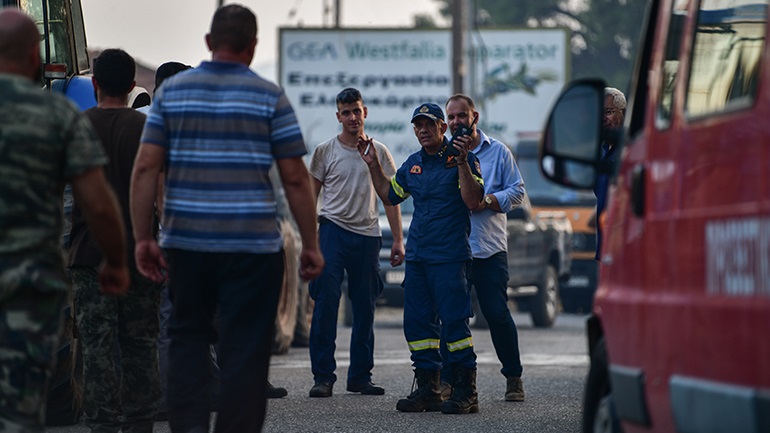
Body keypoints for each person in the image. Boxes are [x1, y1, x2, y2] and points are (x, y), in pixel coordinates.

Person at [129, 4, 324, 432]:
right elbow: (295, 178)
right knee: (245, 351)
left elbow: (145, 169)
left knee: (186, 340)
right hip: (251, 249)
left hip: (187, 245)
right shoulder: (269, 96)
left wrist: (144, 238)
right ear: (253, 46)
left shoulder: (171, 96)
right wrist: (310, 244)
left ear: (208, 43)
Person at [0, 8, 129, 431]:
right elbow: (98, 204)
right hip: (31, 282)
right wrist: (115, 261)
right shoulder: (58, 116)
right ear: (35, 54)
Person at [359, 102, 484, 415]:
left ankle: (465, 391)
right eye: (418, 126)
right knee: (417, 326)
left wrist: (462, 163)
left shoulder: (463, 159)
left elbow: (473, 200)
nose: (423, 130)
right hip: (418, 259)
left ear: (442, 127)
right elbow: (390, 195)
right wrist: (373, 164)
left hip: (450, 258)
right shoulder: (413, 164)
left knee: (454, 326)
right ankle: (429, 390)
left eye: (429, 124)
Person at [66, 48, 162, 432]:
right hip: (139, 253)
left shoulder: (76, 127)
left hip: (89, 257)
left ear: (94, 83)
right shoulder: (146, 129)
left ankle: (102, 423)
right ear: (132, 85)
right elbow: (162, 195)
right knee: (141, 344)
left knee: (96, 348)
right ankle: (140, 421)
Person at [307, 87, 404, 398]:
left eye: (356, 111)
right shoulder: (325, 151)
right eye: (346, 112)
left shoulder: (380, 152)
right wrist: (309, 241)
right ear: (338, 116)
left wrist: (398, 239)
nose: (352, 117)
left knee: (365, 308)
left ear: (365, 113)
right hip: (332, 232)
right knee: (326, 303)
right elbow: (310, 198)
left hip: (367, 236)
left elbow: (390, 198)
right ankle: (323, 377)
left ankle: (360, 377)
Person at [442, 94, 527, 402]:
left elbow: (517, 192)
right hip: (455, 250)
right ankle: (448, 380)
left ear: (474, 117)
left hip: (489, 249)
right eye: (451, 117)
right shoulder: (444, 155)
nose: (456, 122)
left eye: (461, 116)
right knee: (452, 318)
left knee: (497, 314)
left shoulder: (498, 152)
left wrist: (489, 200)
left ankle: (513, 377)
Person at [591, 87, 626, 260]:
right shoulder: (601, 151)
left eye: (609, 112)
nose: (603, 118)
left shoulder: (629, 150)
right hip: (605, 246)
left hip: (624, 247)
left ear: (623, 113)